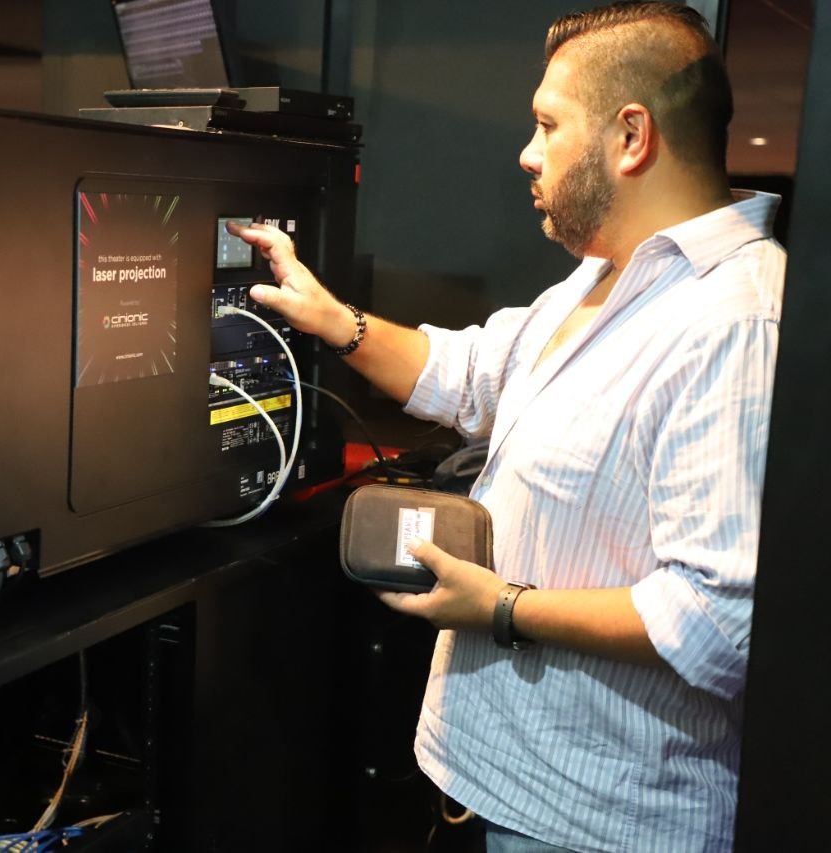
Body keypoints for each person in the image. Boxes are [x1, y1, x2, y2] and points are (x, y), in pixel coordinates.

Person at [228, 3, 784, 850]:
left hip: (598, 823)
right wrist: (330, 317)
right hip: (505, 783)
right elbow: (472, 373)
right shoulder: (600, 277)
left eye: (547, 125)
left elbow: (717, 615)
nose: (527, 151)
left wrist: (505, 606)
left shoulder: (733, 323)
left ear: (631, 136)